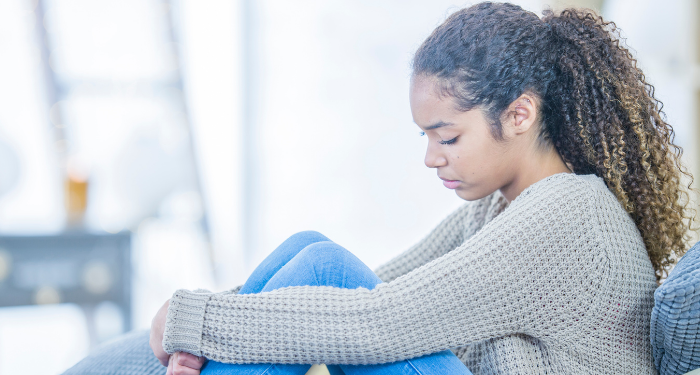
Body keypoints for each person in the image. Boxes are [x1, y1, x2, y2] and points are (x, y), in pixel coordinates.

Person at [150, 2, 697, 374]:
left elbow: (377, 320)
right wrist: (208, 320)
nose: (432, 158)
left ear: (519, 114)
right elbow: (383, 287)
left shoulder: (566, 219)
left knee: (325, 268)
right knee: (308, 249)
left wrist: (191, 318)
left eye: (449, 136)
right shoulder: (504, 206)